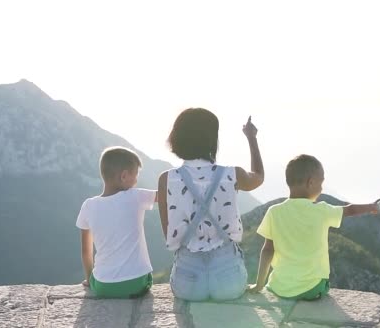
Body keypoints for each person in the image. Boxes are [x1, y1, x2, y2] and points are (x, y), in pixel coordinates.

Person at [158, 109, 264, 301]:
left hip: (187, 281)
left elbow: (169, 234)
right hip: (229, 279)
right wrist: (251, 138)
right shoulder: (233, 174)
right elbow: (258, 177)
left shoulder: (166, 179)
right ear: (212, 139)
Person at [248, 154, 380, 300]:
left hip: (280, 288)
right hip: (312, 289)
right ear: (311, 182)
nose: (322, 188)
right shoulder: (322, 210)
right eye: (321, 183)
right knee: (321, 282)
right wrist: (371, 207)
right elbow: (350, 210)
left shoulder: (274, 212)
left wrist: (259, 284)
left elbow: (267, 250)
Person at [76, 146, 156, 298]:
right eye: (135, 175)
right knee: (145, 277)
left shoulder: (88, 205)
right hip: (137, 284)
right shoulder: (135, 196)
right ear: (124, 176)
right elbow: (167, 195)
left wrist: (89, 279)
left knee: (97, 276)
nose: (136, 181)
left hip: (103, 286)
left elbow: (86, 251)